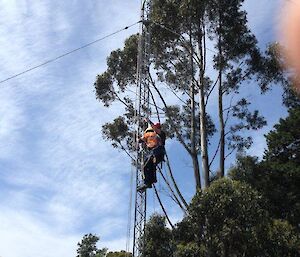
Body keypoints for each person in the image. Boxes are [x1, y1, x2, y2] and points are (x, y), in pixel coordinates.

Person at [137, 122, 165, 191]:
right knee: (151, 166)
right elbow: (144, 139)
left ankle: (147, 182)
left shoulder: (161, 134)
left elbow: (154, 129)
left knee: (146, 165)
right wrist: (139, 140)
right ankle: (151, 180)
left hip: (158, 152)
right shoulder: (153, 136)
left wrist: (148, 121)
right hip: (156, 154)